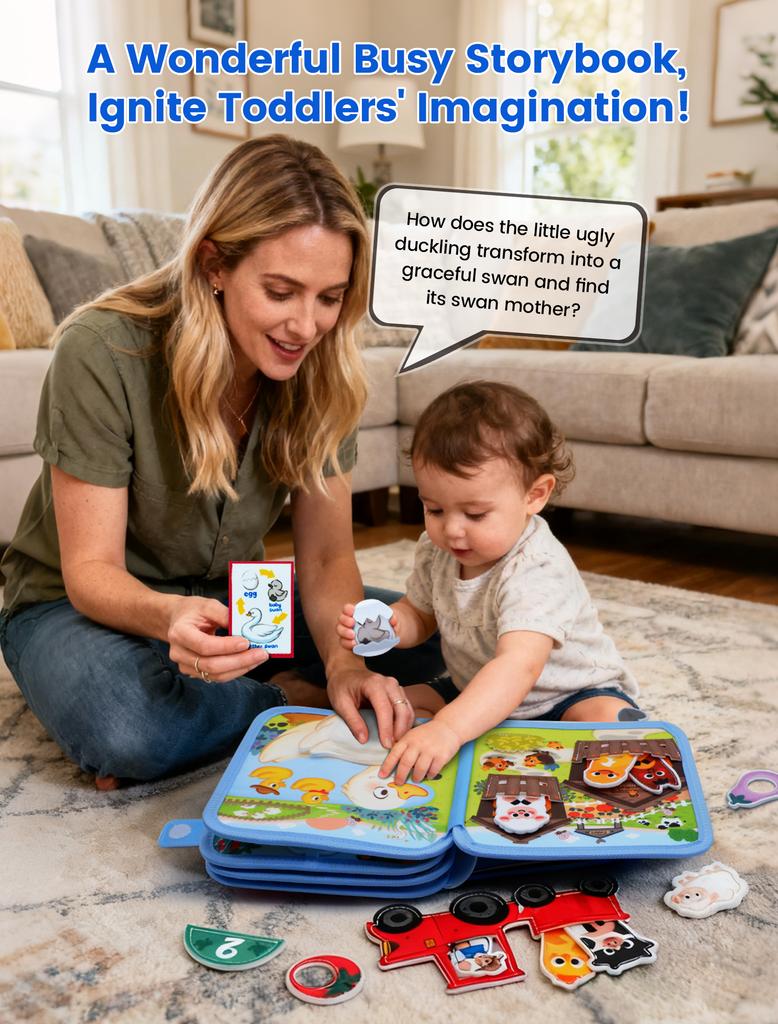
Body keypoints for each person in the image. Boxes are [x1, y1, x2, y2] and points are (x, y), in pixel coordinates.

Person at [0, 135, 442, 788]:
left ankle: (216, 711)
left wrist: (348, 663)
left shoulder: (321, 371)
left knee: (432, 635)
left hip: (232, 598)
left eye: (329, 297)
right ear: (213, 264)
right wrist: (172, 619)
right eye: (281, 291)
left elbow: (323, 559)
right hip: (75, 605)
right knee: (128, 724)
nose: (307, 325)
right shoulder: (101, 351)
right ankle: (288, 701)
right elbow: (90, 571)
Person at [337, 381, 641, 785]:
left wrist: (448, 728)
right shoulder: (435, 549)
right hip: (473, 690)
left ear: (535, 495)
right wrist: (392, 625)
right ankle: (468, 735)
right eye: (435, 508)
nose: (453, 531)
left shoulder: (537, 567)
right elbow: (420, 614)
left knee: (608, 729)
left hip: (564, 697)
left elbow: (518, 666)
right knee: (392, 707)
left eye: (476, 514)